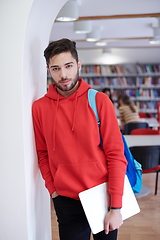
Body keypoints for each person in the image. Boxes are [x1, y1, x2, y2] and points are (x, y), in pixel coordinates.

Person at [32, 38, 127, 240]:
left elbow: (116, 155)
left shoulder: (99, 101)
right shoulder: (39, 108)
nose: (63, 74)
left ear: (79, 65)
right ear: (49, 70)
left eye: (68, 66)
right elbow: (42, 152)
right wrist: (53, 190)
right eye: (56, 68)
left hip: (102, 195)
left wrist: (116, 206)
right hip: (65, 199)